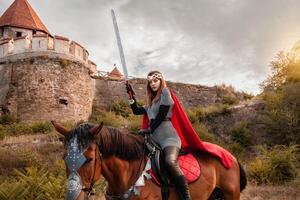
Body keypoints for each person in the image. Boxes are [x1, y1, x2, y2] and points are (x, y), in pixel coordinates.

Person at [126, 70, 191, 200]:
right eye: (150, 82)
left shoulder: (165, 93)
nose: (153, 84)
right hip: (153, 139)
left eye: (155, 80)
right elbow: (136, 111)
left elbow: (161, 115)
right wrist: (131, 97)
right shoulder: (150, 103)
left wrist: (149, 129)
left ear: (161, 81)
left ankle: (186, 197)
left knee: (170, 162)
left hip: (169, 138)